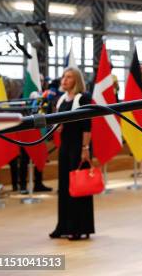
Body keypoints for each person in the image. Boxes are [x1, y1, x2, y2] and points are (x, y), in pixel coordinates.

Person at [49, 66, 95, 241]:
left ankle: (79, 227)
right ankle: (63, 226)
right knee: (65, 187)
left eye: (69, 77)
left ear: (76, 80)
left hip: (78, 147)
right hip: (65, 147)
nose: (64, 80)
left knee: (79, 187)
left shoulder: (83, 98)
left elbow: (86, 126)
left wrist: (85, 149)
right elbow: (60, 124)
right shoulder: (61, 100)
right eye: (63, 77)